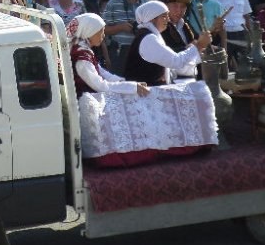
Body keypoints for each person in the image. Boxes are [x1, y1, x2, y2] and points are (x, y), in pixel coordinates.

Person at [69, 14, 217, 167]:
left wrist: (125, 82)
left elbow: (104, 73)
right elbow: (99, 85)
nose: (103, 36)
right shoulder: (81, 57)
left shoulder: (85, 50)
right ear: (89, 32)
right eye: (100, 32)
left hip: (97, 94)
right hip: (88, 101)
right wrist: (131, 87)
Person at [123, 0, 211, 86]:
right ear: (152, 19)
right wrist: (199, 45)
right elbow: (176, 61)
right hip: (145, 92)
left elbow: (171, 66)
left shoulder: (151, 36)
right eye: (164, 16)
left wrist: (196, 52)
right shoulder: (148, 39)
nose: (168, 20)